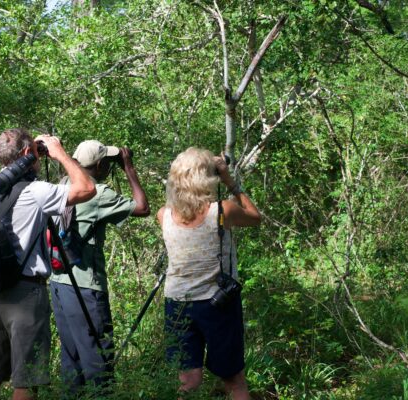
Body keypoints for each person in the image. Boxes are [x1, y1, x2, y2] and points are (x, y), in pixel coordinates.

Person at [0, 128, 96, 400]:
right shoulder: (37, 192)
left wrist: (31, 152)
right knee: (26, 382)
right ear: (28, 154)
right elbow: (87, 188)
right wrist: (59, 153)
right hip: (25, 295)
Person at [157, 147, 261, 400]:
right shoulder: (222, 211)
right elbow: (255, 217)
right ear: (208, 178)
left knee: (188, 381)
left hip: (178, 304)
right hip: (217, 304)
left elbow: (184, 209)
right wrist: (230, 181)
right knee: (234, 380)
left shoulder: (164, 215)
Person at [49, 140, 150, 395]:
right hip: (85, 288)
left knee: (71, 360)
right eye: (108, 162)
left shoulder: (62, 185)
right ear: (100, 164)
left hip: (59, 283)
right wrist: (129, 169)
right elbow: (142, 207)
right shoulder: (97, 193)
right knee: (99, 363)